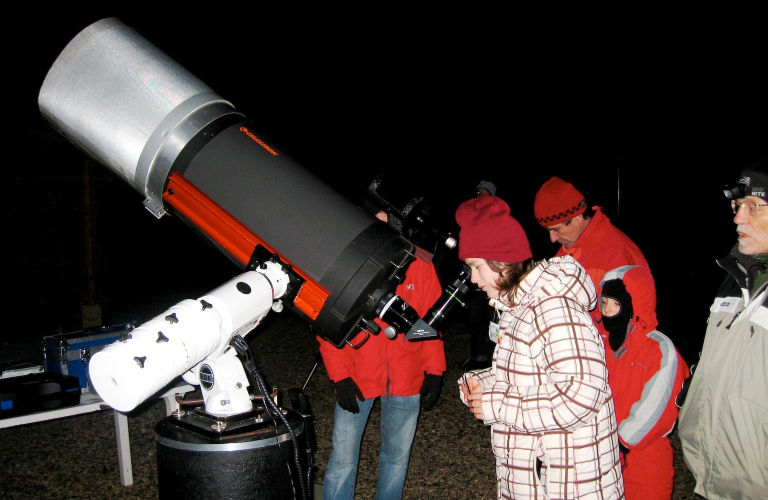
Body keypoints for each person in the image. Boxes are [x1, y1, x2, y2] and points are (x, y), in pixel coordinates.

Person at [455, 195, 624, 500]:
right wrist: (485, 382)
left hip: (567, 485)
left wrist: (497, 404)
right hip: (535, 479)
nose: (473, 278)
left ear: (503, 260)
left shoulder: (552, 308)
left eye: (477, 266)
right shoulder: (517, 307)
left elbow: (584, 393)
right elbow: (530, 376)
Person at [317, 210, 446, 500]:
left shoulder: (421, 264)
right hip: (358, 377)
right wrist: (341, 377)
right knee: (342, 461)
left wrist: (434, 369)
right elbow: (329, 326)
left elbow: (430, 325)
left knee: (396, 459)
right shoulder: (352, 262)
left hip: (406, 378)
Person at [678, 160, 768, 500]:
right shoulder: (734, 279)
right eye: (737, 206)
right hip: (710, 479)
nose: (737, 218)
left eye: (754, 207)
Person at [599, 264, 690, 500]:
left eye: (615, 303)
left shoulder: (658, 348)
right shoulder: (600, 341)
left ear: (632, 304)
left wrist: (621, 441)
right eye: (604, 302)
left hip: (642, 456)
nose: (607, 310)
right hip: (601, 454)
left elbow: (660, 403)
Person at [533, 176, 651, 336]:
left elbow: (639, 326)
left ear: (577, 217)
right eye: (548, 231)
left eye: (556, 229)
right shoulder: (568, 248)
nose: (552, 239)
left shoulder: (618, 254)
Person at [462, 180, 498, 370]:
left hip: (494, 282)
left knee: (496, 322)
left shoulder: (501, 218)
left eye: (485, 191)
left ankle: (496, 361)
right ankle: (479, 357)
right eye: (478, 191)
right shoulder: (471, 220)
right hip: (475, 281)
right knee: (475, 320)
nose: (480, 195)